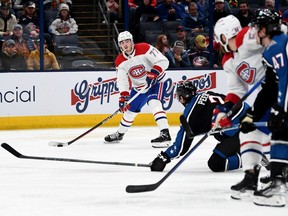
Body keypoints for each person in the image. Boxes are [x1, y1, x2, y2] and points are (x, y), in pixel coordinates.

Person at [213, 14, 271, 200]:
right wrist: (224, 112)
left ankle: (279, 175)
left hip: (279, 92)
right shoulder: (229, 60)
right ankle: (251, 177)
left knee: (271, 130)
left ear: (224, 36)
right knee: (249, 131)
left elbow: (271, 37)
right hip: (262, 100)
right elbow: (236, 91)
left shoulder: (248, 37)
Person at [240, 8, 288, 207]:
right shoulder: (270, 51)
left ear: (265, 29)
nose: (254, 30)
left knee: (281, 128)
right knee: (281, 129)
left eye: (257, 27)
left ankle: (278, 185)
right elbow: (270, 86)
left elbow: (286, 79)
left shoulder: (279, 45)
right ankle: (279, 179)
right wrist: (253, 114)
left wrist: (281, 108)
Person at [150, 81, 247, 172]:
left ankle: (254, 156)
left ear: (181, 98)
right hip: (250, 118)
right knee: (218, 133)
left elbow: (180, 148)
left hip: (240, 129)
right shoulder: (209, 94)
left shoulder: (189, 114)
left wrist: (163, 158)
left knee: (216, 163)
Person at [104, 31, 172, 148]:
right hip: (139, 87)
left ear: (131, 41)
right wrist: (123, 96)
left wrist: (153, 73)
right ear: (119, 45)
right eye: (122, 43)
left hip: (157, 82)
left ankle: (165, 134)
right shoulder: (120, 61)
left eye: (127, 41)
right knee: (130, 111)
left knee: (153, 102)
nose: (125, 45)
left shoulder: (144, 48)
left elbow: (163, 61)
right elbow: (122, 80)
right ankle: (120, 134)